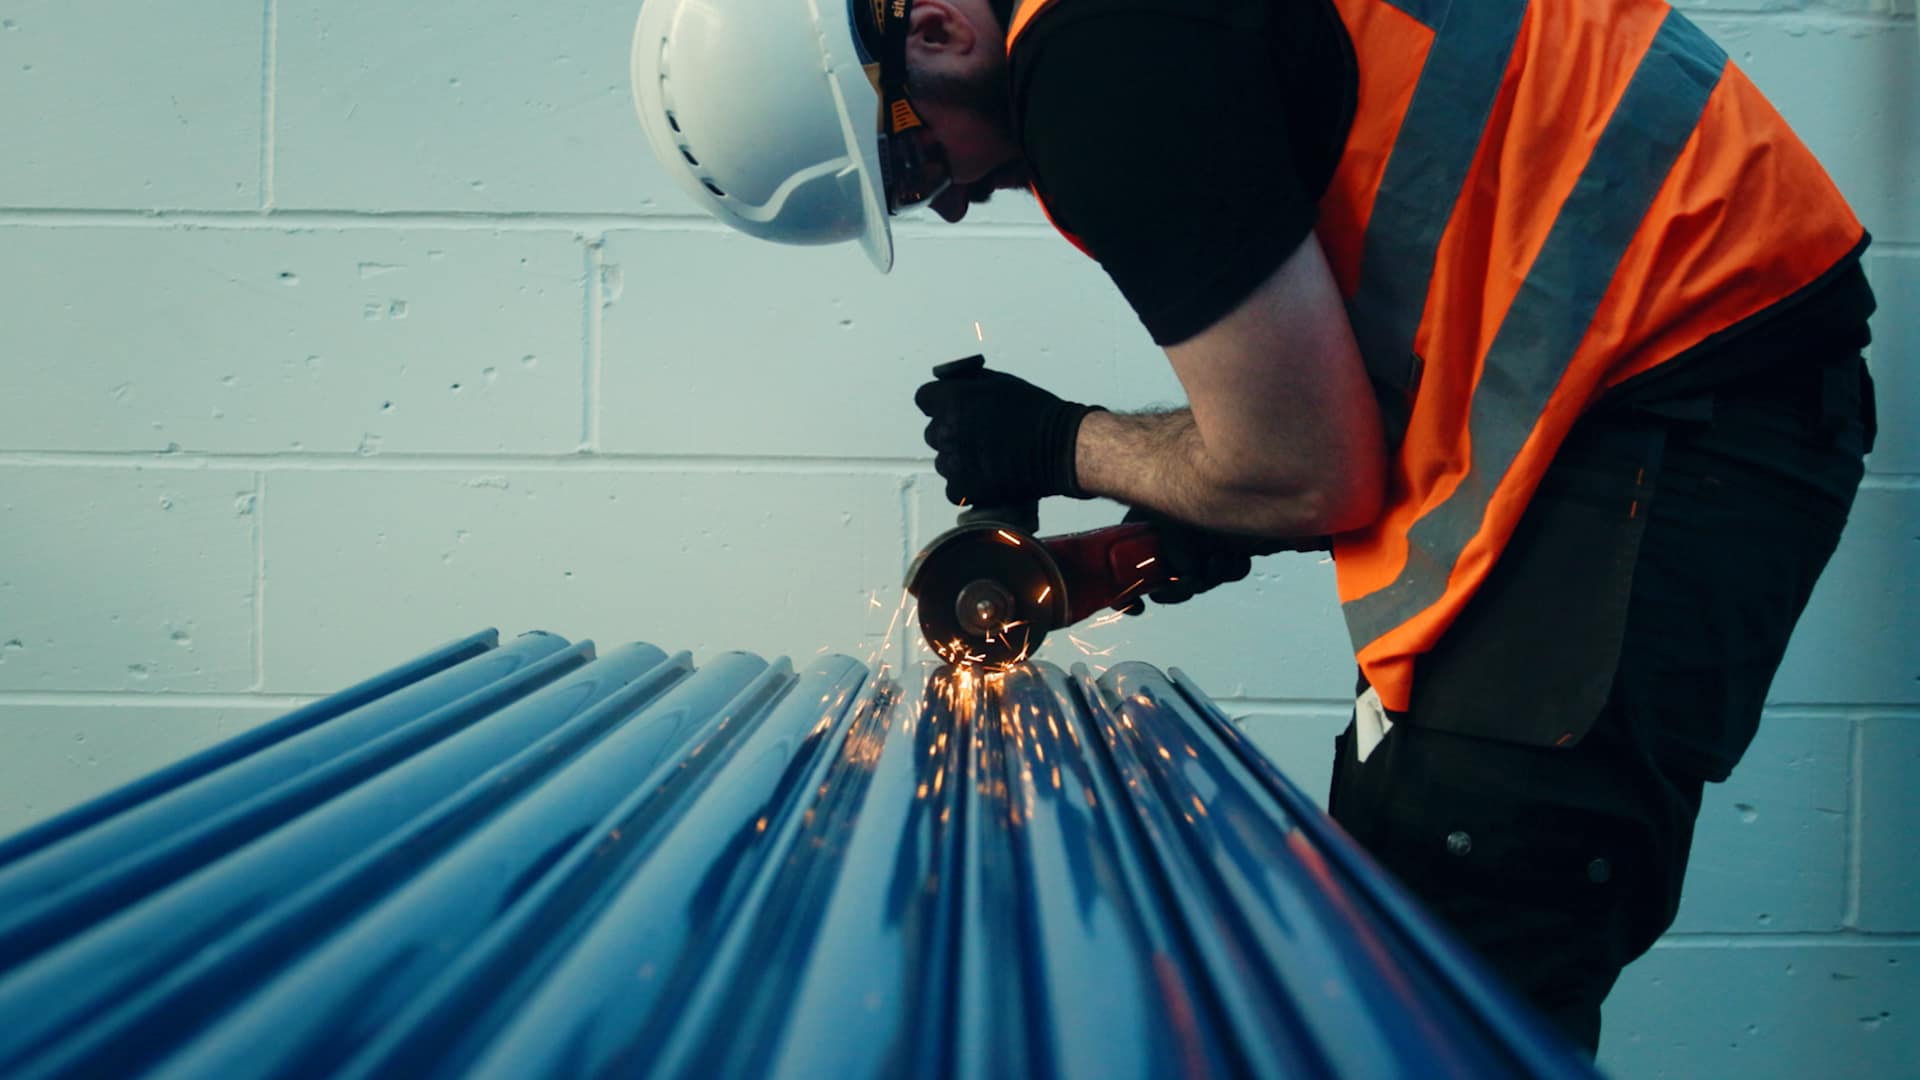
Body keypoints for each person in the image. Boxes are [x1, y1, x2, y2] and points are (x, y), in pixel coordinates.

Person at [631, 0, 1877, 1054]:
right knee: (1403, 899)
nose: (949, 204)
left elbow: (1300, 468)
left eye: (912, 170)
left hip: (1680, 385)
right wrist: (1118, 553)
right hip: (1621, 383)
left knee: (1460, 930)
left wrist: (1054, 444)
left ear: (939, 33)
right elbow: (1334, 409)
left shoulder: (1100, 54)